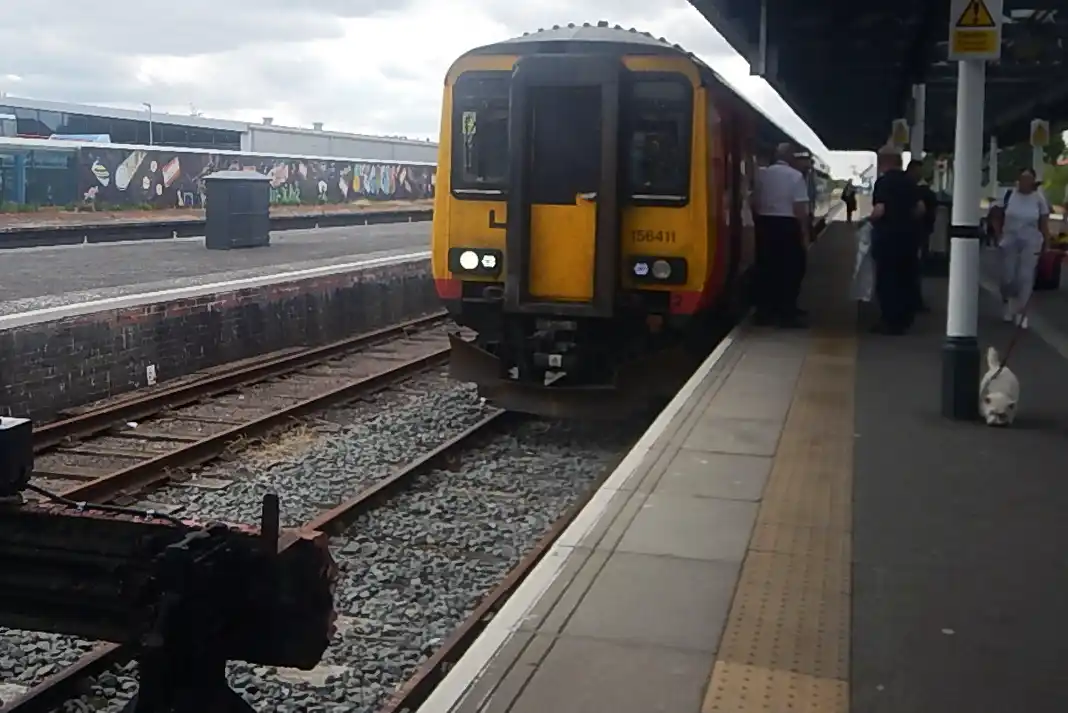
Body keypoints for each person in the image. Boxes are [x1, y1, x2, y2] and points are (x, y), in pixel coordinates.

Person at [752, 142, 811, 327]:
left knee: (767, 269)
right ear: (791, 157)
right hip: (787, 226)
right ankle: (787, 313)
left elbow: (754, 200)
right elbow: (799, 208)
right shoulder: (795, 176)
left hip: (765, 225)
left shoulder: (762, 174)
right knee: (791, 271)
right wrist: (804, 234)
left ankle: (765, 312)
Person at [870, 145, 925, 335]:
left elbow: (880, 210)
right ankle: (905, 319)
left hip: (887, 239)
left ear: (884, 161)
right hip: (909, 239)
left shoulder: (883, 182)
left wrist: (870, 220)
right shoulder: (910, 182)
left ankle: (890, 320)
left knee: (887, 279)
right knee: (906, 278)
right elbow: (920, 209)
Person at [994, 167, 1050, 329]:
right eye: (1022, 178)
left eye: (1028, 179)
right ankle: (1007, 302)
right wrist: (999, 234)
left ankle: (1021, 311)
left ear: (1033, 181)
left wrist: (1047, 243)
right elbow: (996, 215)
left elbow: (1044, 223)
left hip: (1031, 239)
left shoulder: (1038, 199)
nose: (1025, 182)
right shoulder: (1009, 194)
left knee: (1025, 276)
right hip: (1010, 238)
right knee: (1008, 276)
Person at [905, 159, 937, 313]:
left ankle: (912, 300)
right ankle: (914, 302)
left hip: (917, 234)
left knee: (914, 269)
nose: (920, 175)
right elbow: (922, 210)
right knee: (914, 269)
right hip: (915, 235)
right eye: (918, 171)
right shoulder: (918, 190)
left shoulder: (914, 188)